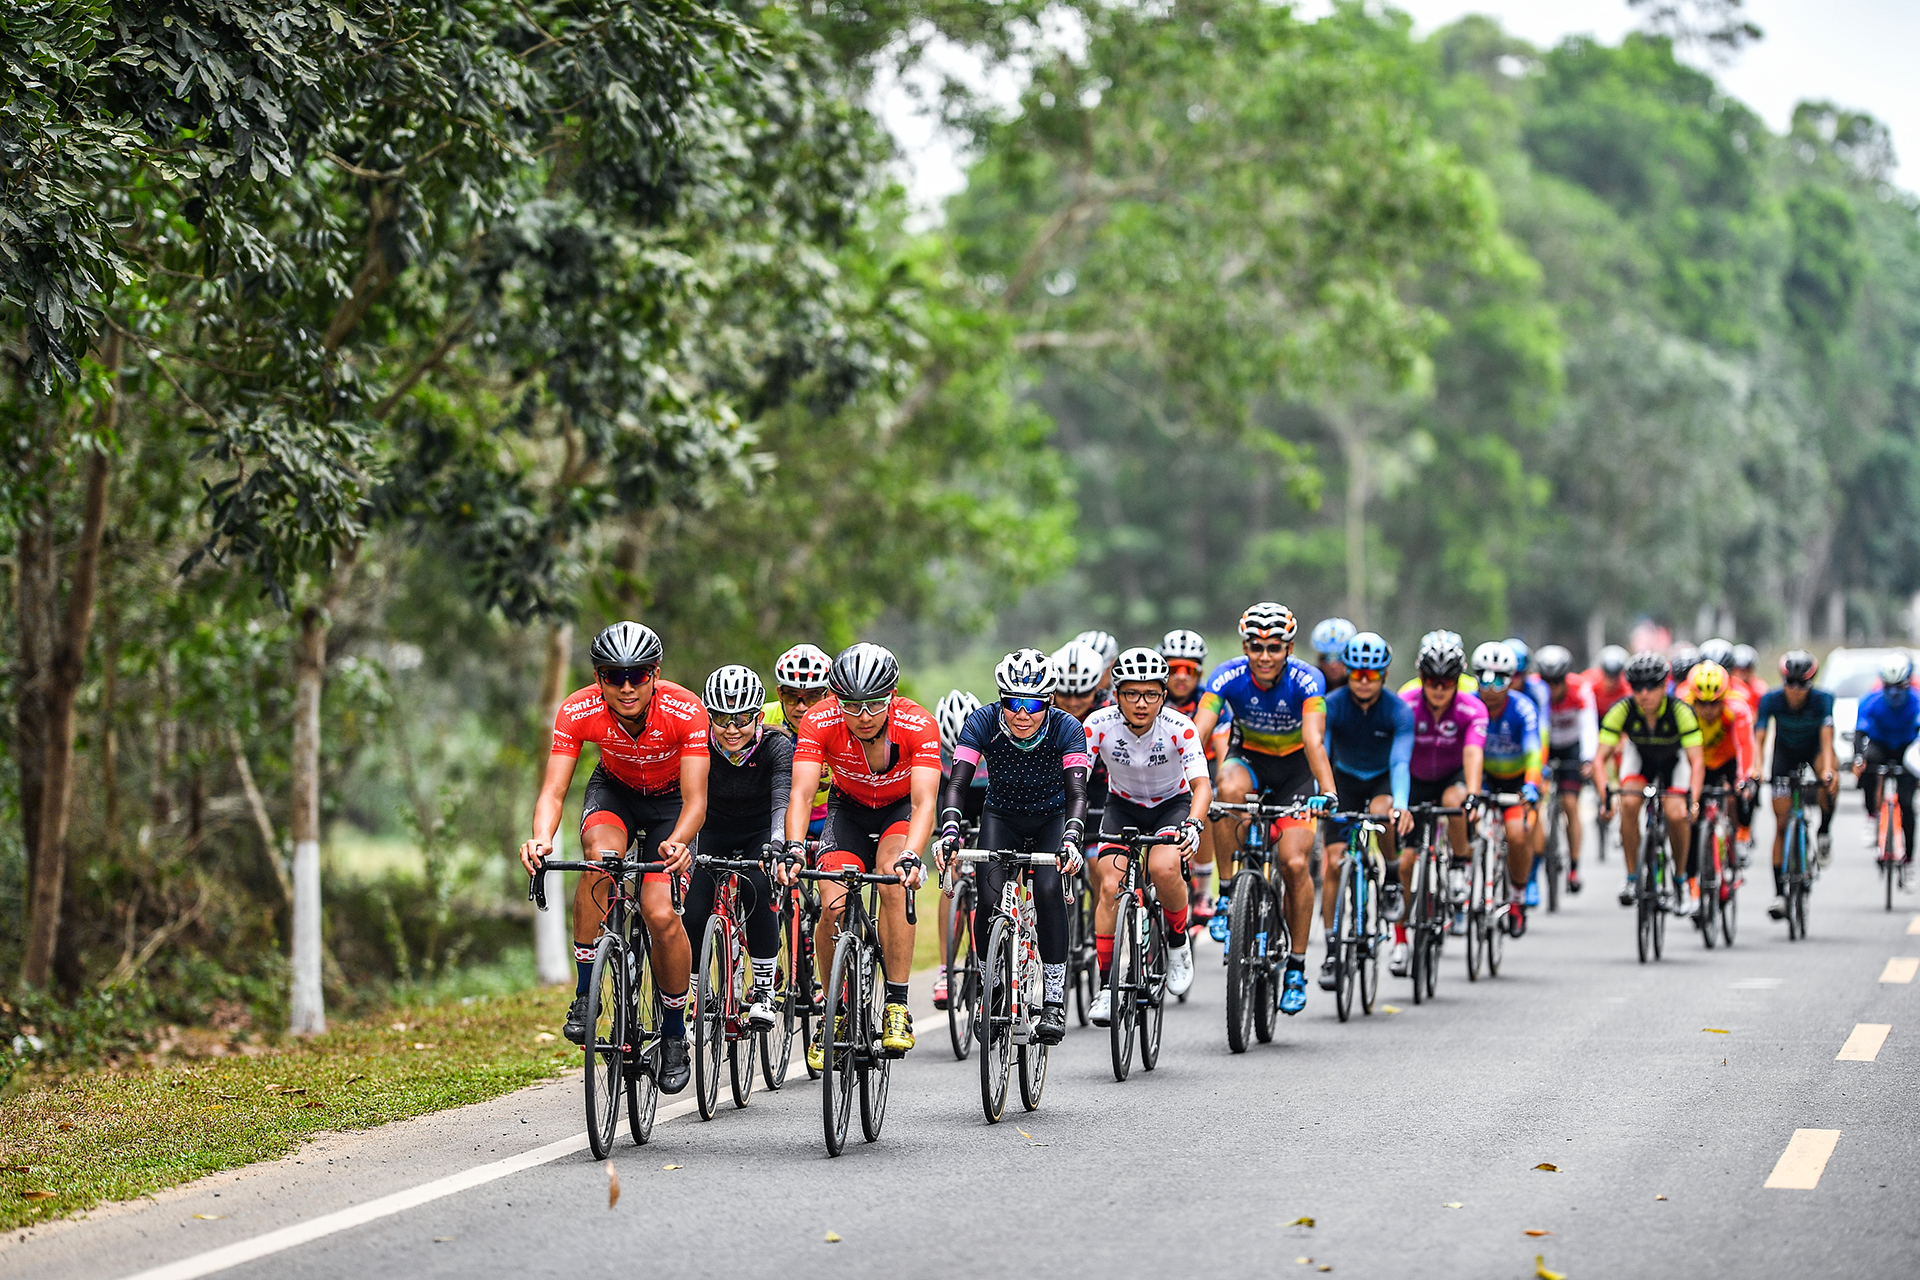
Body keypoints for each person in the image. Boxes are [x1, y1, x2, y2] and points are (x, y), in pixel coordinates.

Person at [520, 622, 706, 1094]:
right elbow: (553, 789)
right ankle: (585, 994)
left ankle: (673, 1033)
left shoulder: (685, 709)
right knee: (599, 861)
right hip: (616, 792)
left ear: (655, 674)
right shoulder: (579, 708)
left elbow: (697, 801)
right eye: (613, 676)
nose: (626, 686)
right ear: (598, 678)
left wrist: (680, 841)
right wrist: (540, 838)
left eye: (638, 675)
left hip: (671, 806)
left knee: (659, 911)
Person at [778, 644, 935, 1066]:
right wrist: (794, 847)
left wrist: (913, 856)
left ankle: (897, 1006)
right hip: (848, 810)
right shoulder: (819, 720)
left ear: (893, 695)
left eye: (874, 704)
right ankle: (839, 1011)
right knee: (831, 905)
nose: (863, 715)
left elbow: (923, 804)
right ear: (834, 699)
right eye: (851, 705)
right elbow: (802, 792)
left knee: (892, 876)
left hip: (898, 812)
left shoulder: (918, 724)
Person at [936, 649, 1090, 1046]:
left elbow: (1077, 793)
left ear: (1049, 701)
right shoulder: (982, 722)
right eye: (1013, 703)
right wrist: (950, 830)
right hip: (1000, 816)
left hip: (1052, 818)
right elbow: (955, 784)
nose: (1022, 714)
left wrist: (1072, 837)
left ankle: (1054, 999)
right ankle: (991, 988)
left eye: (1033, 703)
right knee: (987, 901)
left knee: (1048, 890)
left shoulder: (1067, 728)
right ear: (1001, 700)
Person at [1190, 602, 1336, 1016]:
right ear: (1245, 646)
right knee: (1225, 789)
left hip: (1296, 772)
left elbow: (1313, 739)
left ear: (1288, 648)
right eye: (1257, 647)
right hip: (1248, 761)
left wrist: (1327, 789)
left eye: (1275, 647)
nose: (1266, 656)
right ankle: (1225, 895)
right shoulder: (1227, 675)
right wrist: (1179, 774)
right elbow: (1200, 731)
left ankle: (1295, 967)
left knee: (1293, 863)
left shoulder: (1309, 680)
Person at [1082, 647, 1211, 1023]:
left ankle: (1176, 942)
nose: (1142, 703)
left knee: (1165, 867)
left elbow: (1202, 786)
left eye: (1152, 694)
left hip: (1172, 804)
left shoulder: (1179, 728)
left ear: (1163, 695)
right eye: (1132, 694)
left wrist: (1194, 824)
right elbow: (1076, 779)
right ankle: (1107, 986)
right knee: (1109, 885)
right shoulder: (1098, 724)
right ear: (1116, 694)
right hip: (1122, 806)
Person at [690, 665, 789, 1032]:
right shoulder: (697, 742)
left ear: (758, 716)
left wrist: (777, 842)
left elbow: (782, 800)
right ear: (708, 716)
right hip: (710, 827)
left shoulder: (777, 746)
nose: (732, 729)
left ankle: (763, 990)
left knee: (758, 885)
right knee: (692, 904)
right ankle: (698, 993)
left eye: (742, 718)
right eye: (721, 718)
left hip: (759, 829)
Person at [1315, 632, 1413, 990]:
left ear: (1383, 676)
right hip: (1343, 781)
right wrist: (1320, 795)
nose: (1364, 682)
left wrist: (1401, 804)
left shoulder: (1398, 710)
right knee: (1335, 863)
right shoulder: (1333, 703)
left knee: (1385, 811)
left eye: (1372, 676)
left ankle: (1390, 877)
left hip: (1382, 781)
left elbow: (1401, 762)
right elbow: (1321, 752)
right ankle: (1329, 951)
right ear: (1349, 673)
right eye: (1357, 674)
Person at [1394, 632, 1487, 975]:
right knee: (1404, 864)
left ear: (1457, 680)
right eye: (1432, 682)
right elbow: (1398, 756)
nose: (1439, 689)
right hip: (1415, 779)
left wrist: (1474, 791)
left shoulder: (1471, 707)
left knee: (1456, 800)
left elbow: (1473, 751)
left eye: (1447, 682)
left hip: (1451, 776)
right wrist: (1400, 801)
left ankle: (1460, 864)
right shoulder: (1406, 702)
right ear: (1422, 678)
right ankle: (1400, 939)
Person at [1594, 651, 1704, 917]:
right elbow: (1599, 760)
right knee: (1628, 803)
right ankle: (1632, 878)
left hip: (1673, 763)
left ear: (1664, 685)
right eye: (1637, 687)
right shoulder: (1622, 709)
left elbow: (1697, 762)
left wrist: (1695, 800)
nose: (1644, 694)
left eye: (1652, 686)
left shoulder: (1681, 711)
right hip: (1640, 759)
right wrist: (1605, 798)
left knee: (1677, 814)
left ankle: (1680, 881)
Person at [1755, 649, 1837, 920]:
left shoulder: (1823, 700)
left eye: (1803, 684)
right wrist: (1756, 768)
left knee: (1829, 779)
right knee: (1780, 824)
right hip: (1784, 754)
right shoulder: (1771, 700)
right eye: (1790, 683)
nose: (1796, 690)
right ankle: (1780, 893)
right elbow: (1760, 738)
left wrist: (1827, 772)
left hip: (1814, 750)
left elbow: (1827, 740)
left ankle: (1824, 831)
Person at [1471, 641, 1543, 928]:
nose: (1491, 687)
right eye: (1484, 677)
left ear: (1512, 679)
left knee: (1516, 835)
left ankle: (1516, 896)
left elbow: (1534, 751)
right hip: (1482, 778)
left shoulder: (1523, 708)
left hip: (1515, 781)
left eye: (1500, 679)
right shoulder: (1469, 704)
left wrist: (1532, 785)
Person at [1678, 660, 1755, 902]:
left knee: (1738, 795)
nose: (1708, 710)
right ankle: (1692, 880)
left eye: (1714, 703)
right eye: (1702, 703)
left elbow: (1745, 746)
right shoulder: (1682, 705)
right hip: (1696, 763)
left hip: (1726, 760)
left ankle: (1737, 839)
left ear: (1725, 697)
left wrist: (1744, 779)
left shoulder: (1737, 708)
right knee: (1690, 820)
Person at [930, 689, 986, 1012]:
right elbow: (931, 801)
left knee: (1001, 870)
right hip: (951, 804)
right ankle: (944, 971)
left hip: (987, 804)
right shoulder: (933, 753)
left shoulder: (992, 747)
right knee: (950, 877)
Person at [1161, 628, 1223, 918]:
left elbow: (1223, 747)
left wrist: (1221, 782)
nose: (1182, 676)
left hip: (1203, 765)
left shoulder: (1211, 699)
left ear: (1200, 674)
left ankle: (1202, 890)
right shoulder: (1149, 697)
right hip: (1160, 768)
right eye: (1174, 669)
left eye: (1189, 670)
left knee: (1207, 805)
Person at [1536, 645, 1595, 894]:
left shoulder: (1580, 688)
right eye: (1547, 681)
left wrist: (1588, 758)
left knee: (1570, 804)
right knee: (1536, 803)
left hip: (1571, 747)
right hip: (1544, 747)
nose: (1552, 687)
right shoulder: (1535, 690)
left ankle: (1573, 866)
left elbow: (1589, 725)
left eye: (1557, 681)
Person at [1850, 651, 1919, 863]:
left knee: (1907, 804)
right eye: (1890, 687)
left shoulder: (1917, 701)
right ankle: (1872, 815)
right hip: (1880, 745)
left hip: (1906, 749)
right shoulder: (1870, 702)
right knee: (1868, 764)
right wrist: (1858, 758)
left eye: (1900, 687)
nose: (1894, 693)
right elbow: (1860, 734)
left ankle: (1908, 856)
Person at [763, 643, 833, 837]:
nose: (802, 707)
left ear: (827, 695)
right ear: (779, 694)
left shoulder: (842, 722)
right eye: (792, 697)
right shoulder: (763, 718)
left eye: (812, 698)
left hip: (828, 814)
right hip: (778, 812)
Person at [1310, 617, 1357, 690]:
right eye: (1327, 658)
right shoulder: (1310, 686)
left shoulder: (1361, 688)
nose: (1333, 665)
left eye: (1339, 658)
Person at [1585, 645, 1632, 717]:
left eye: (1615, 676)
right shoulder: (1589, 683)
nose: (1611, 682)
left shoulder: (1627, 691)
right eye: (1607, 675)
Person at [1729, 643, 1768, 710]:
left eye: (1746, 669)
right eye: (1738, 669)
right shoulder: (1725, 687)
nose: (1742, 674)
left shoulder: (1759, 689)